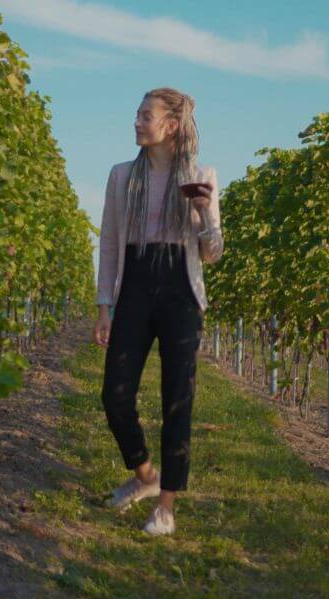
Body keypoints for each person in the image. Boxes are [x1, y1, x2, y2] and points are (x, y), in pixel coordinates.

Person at [92, 87, 224, 536]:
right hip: (135, 283)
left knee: (177, 399)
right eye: (137, 114)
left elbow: (212, 253)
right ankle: (146, 476)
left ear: (170, 125)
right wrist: (104, 306)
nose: (136, 121)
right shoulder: (120, 176)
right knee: (115, 394)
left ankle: (166, 507)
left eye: (146, 115)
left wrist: (205, 212)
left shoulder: (200, 175)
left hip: (180, 290)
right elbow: (109, 243)